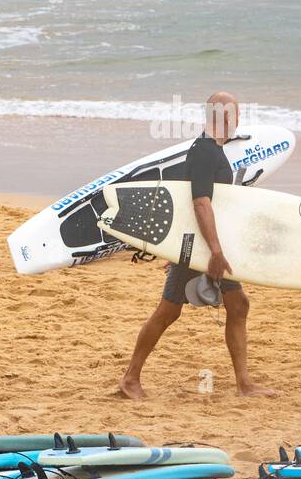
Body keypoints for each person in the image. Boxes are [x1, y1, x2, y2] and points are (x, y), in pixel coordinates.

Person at [117, 92, 276, 400]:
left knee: (238, 304)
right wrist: (213, 252)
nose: (239, 120)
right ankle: (130, 378)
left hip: (200, 244)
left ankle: (245, 384)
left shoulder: (212, 150)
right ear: (227, 117)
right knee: (168, 311)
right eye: (237, 115)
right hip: (200, 247)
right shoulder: (204, 152)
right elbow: (200, 202)